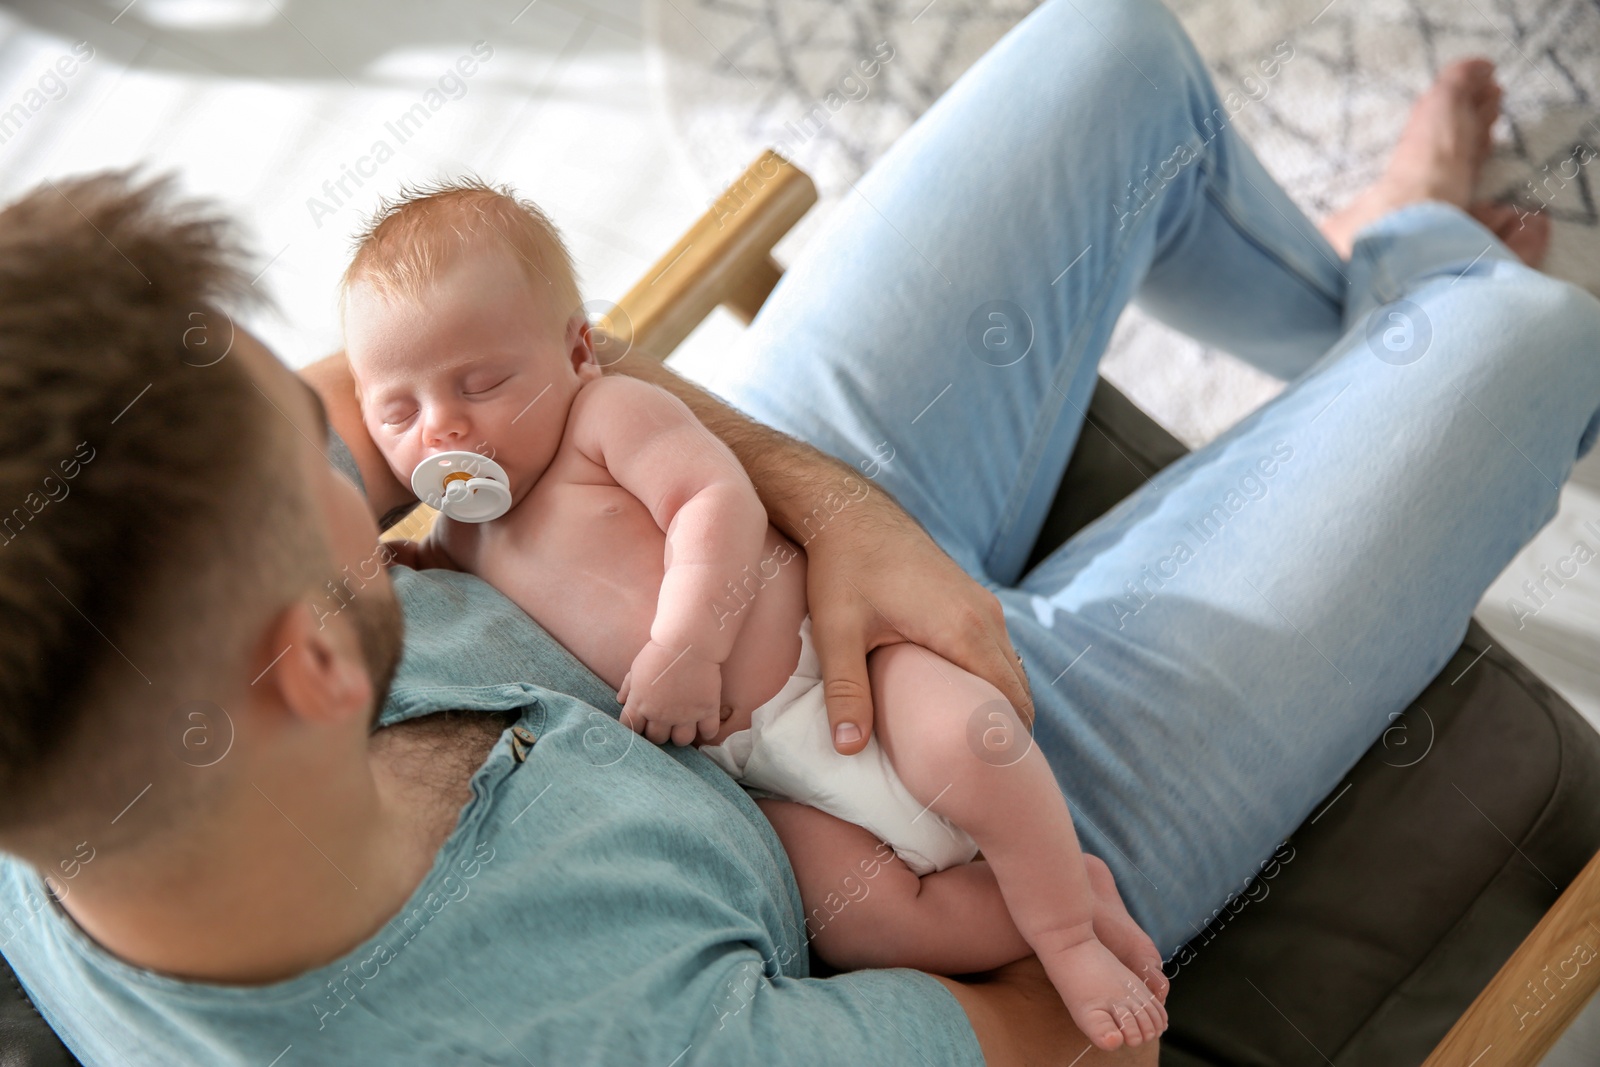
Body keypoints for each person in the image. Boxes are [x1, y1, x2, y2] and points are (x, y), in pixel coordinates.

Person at [0, 0, 1593, 1063]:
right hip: (949, 819)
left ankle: (1377, 293)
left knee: (1111, 50)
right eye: (332, 475)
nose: (355, 431)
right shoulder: (610, 1034)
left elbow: (408, 381)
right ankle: (1415, 263)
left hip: (696, 506)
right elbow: (1054, 1033)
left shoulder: (93, 677)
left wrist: (829, 507)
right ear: (317, 665)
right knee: (1533, 341)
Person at [337, 183, 1168, 1049]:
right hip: (764, 781)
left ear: (578, 350)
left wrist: (688, 641)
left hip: (835, 674)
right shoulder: (459, 534)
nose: (441, 430)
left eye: (483, 382)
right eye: (398, 410)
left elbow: (715, 500)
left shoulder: (604, 419)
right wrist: (405, 563)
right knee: (863, 919)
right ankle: (1065, 892)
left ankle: (1067, 933)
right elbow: (441, 574)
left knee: (972, 740)